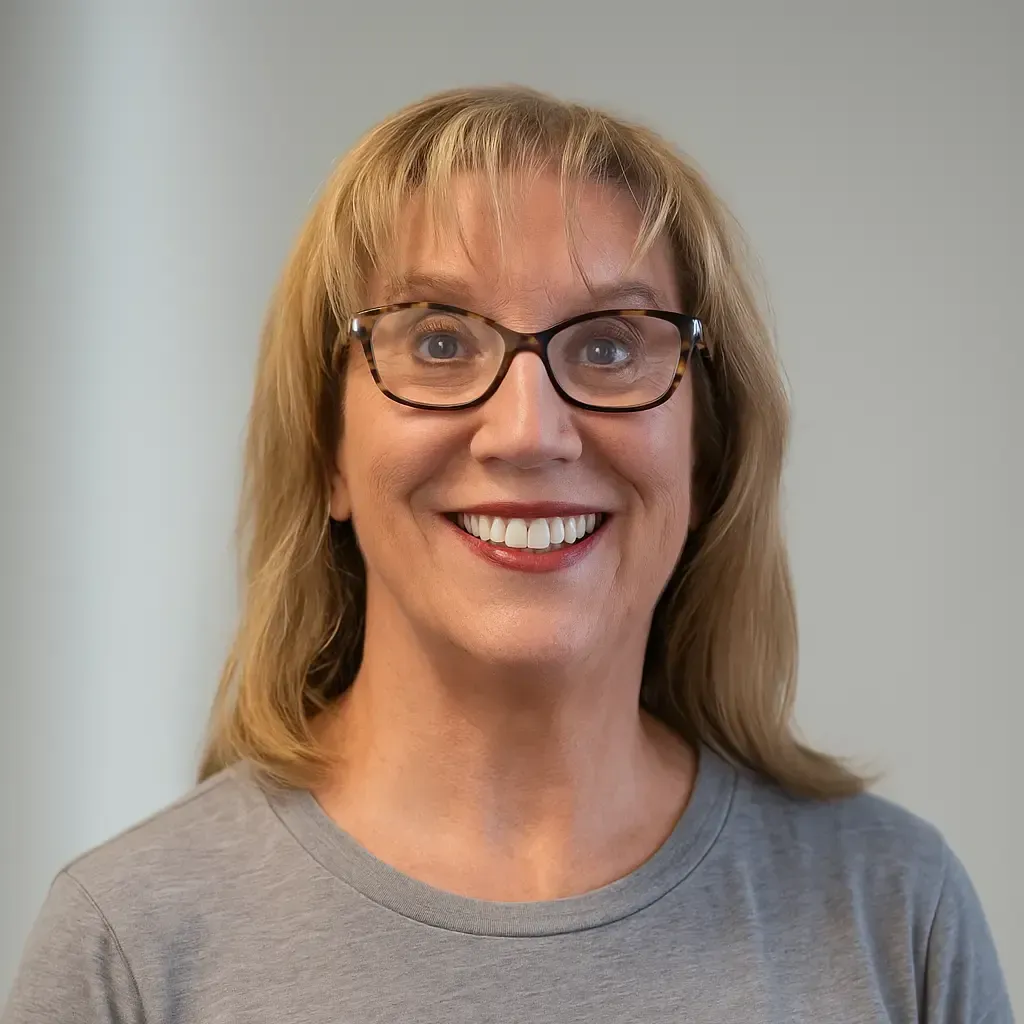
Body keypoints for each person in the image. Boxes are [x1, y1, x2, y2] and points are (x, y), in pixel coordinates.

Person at [2, 85, 1013, 1023]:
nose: (529, 431)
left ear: (706, 457)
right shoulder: (129, 946)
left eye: (610, 345)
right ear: (327, 453)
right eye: (438, 341)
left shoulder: (893, 914)